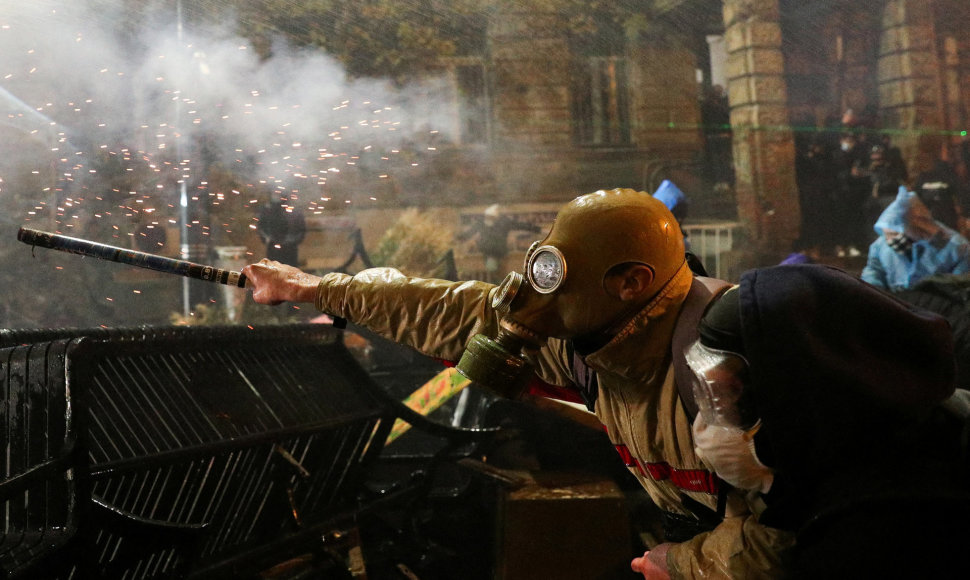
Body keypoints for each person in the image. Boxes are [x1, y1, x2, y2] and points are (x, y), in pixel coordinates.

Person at [243, 188, 794, 578]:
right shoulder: (598, 342)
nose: (536, 305)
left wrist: (678, 563)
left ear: (632, 282)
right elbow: (449, 312)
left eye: (561, 283)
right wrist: (314, 288)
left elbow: (791, 539)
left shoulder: (724, 369)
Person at [669, 263, 970, 577]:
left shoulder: (872, 533)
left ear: (797, 387)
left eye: (727, 396)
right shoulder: (916, 424)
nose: (712, 424)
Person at [861, 186, 970, 291]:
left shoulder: (957, 247)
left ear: (915, 229)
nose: (888, 240)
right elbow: (873, 271)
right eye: (886, 234)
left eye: (894, 234)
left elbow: (959, 288)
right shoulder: (880, 246)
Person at [457, 204, 541, 284]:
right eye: (488, 217)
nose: (489, 219)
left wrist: (538, 229)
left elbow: (520, 225)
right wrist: (459, 238)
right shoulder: (481, 223)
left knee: (500, 273)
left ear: (496, 217)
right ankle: (498, 287)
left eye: (492, 218)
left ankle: (500, 286)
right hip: (489, 252)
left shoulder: (504, 223)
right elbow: (470, 232)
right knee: (494, 270)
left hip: (501, 252)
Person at [257, 196, 307, 267]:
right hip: (274, 249)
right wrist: (268, 239)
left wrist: (291, 241)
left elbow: (301, 230)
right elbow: (261, 227)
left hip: (290, 250)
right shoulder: (268, 211)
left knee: (289, 272)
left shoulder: (295, 211)